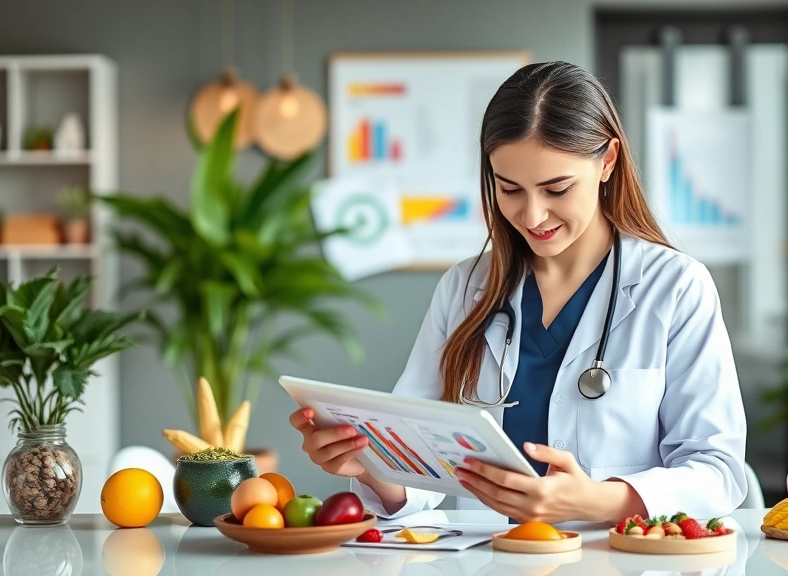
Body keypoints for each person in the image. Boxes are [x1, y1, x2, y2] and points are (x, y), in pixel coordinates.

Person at [290, 61, 747, 524]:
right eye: (509, 189)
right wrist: (371, 467)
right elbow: (421, 461)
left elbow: (718, 472)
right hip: (491, 558)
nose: (532, 215)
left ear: (607, 161)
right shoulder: (466, 288)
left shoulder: (675, 287)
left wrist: (591, 501)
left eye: (557, 188)